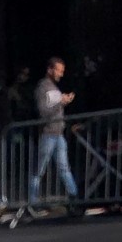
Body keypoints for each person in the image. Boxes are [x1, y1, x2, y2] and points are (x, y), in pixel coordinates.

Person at [32, 57, 79, 206]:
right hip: (48, 134)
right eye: (58, 70)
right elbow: (43, 111)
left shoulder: (54, 87)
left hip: (58, 134)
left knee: (64, 168)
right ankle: (32, 201)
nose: (61, 74)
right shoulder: (43, 87)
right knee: (39, 170)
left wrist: (62, 101)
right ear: (50, 70)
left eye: (62, 71)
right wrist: (61, 102)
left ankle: (75, 198)